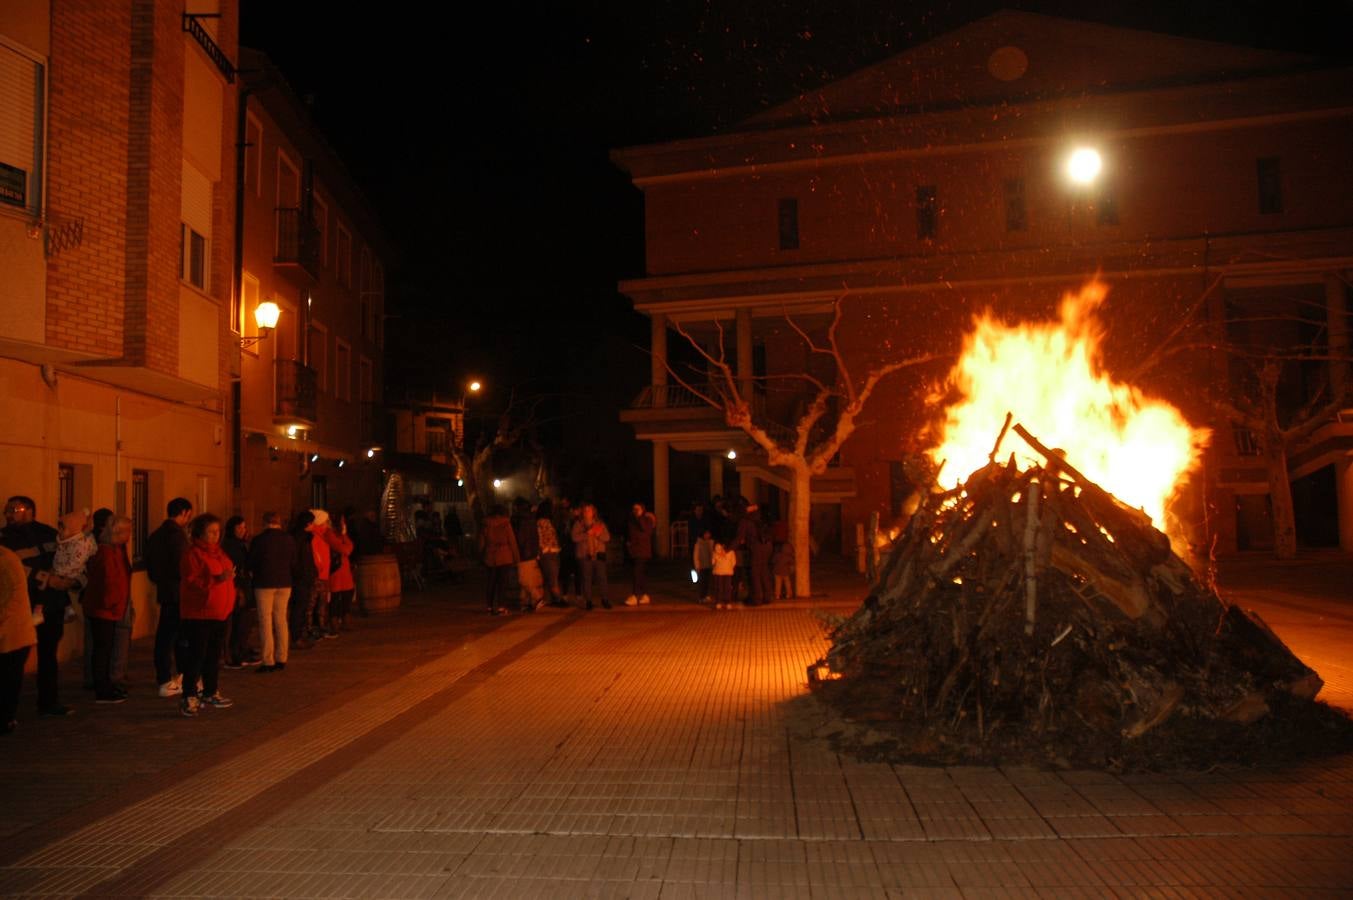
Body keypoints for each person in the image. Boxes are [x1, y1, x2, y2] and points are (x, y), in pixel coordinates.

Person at [2, 495, 74, 717]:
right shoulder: (5, 539)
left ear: (30, 511)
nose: (10, 514)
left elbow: (63, 558)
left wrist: (66, 579)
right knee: (13, 660)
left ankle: (48, 701)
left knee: (48, 654)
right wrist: (45, 578)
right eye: (8, 510)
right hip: (23, 606)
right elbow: (12, 569)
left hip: (51, 604)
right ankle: (8, 711)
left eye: (17, 509)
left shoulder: (48, 533)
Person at [178, 514, 236, 717]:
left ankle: (210, 691)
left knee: (213, 655)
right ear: (200, 533)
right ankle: (189, 695)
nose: (215, 535)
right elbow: (192, 582)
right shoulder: (193, 554)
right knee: (196, 655)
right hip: (199, 613)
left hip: (219, 613)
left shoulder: (219, 553)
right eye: (211, 532)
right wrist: (217, 579)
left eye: (217, 531)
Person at [144, 497, 193, 697]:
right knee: (173, 637)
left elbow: (151, 565)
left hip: (165, 590)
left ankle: (174, 676)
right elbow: (182, 566)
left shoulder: (156, 535)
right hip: (177, 592)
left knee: (169, 635)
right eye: (188, 515)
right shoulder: (177, 536)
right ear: (184, 513)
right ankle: (168, 678)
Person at [82, 515, 133, 703]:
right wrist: (112, 603)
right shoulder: (106, 553)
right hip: (104, 609)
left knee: (105, 648)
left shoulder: (114, 550)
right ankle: (102, 689)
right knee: (102, 649)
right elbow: (108, 582)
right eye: (127, 531)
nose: (129, 536)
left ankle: (106, 685)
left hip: (110, 608)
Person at [248, 511, 294, 673]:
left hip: (264, 583)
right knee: (281, 620)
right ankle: (282, 657)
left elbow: (251, 561)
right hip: (285, 582)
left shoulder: (259, 540)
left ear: (264, 522)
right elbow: (293, 561)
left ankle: (268, 660)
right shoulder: (288, 539)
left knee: (265, 621)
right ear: (278, 522)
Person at [0, 544, 38, 734]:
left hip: (11, 634)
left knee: (8, 681)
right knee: (9, 680)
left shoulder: (4, 560)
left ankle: (6, 720)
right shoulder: (6, 556)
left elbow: (6, 599)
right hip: (14, 633)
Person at [222, 516, 257, 668]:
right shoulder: (230, 546)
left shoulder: (240, 544)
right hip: (238, 587)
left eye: (244, 527)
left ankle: (241, 650)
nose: (242, 530)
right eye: (239, 528)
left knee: (244, 621)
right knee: (239, 622)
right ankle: (236, 653)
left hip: (244, 585)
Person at [479, 503, 519, 616]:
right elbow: (512, 541)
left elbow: (481, 542)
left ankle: (489, 607)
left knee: (491, 582)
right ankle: (502, 606)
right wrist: (516, 557)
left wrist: (481, 554)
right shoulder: (506, 524)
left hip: (490, 555)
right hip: (505, 555)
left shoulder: (485, 524)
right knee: (503, 582)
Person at [571, 503, 611, 610]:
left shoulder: (600, 524)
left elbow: (607, 537)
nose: (587, 512)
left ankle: (605, 599)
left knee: (602, 577)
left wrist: (598, 534)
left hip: (599, 554)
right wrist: (586, 534)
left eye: (589, 510)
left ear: (594, 512)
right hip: (585, 554)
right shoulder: (579, 524)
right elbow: (574, 537)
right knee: (586, 578)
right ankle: (588, 601)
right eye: (585, 510)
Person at [287, 511, 318, 649]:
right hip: (300, 579)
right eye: (312, 523)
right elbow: (297, 560)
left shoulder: (305, 538)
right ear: (307, 524)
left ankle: (299, 634)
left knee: (303, 607)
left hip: (306, 577)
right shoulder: (298, 538)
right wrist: (301, 574)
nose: (313, 525)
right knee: (298, 608)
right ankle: (296, 637)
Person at [322, 509, 355, 635]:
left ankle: (345, 618)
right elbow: (344, 549)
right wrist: (345, 543)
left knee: (347, 594)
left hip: (344, 570)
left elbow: (350, 546)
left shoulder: (340, 534)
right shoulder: (329, 533)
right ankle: (334, 620)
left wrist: (344, 537)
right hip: (336, 570)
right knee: (335, 597)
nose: (344, 523)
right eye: (342, 521)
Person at [306, 510, 334, 640]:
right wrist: (320, 568)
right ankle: (310, 629)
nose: (328, 524)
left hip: (323, 574)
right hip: (318, 575)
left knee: (322, 603)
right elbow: (316, 556)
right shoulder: (315, 536)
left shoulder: (321, 535)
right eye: (326, 521)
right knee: (312, 604)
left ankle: (321, 627)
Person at [512, 498, 543, 612]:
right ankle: (525, 603)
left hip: (523, 553)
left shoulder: (520, 521)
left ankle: (537, 597)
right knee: (529, 577)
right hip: (531, 552)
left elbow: (520, 538)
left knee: (523, 579)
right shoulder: (531, 519)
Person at [624, 502, 656, 607]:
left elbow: (644, 528)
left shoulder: (647, 520)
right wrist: (629, 544)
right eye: (634, 509)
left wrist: (640, 517)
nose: (635, 511)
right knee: (640, 574)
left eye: (637, 509)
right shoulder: (632, 520)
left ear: (642, 509)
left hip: (643, 551)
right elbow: (630, 534)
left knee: (637, 573)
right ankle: (644, 595)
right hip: (634, 551)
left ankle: (635, 595)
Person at [536, 499, 565, 607]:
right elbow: (540, 538)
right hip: (549, 552)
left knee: (550, 577)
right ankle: (559, 599)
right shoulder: (544, 522)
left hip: (550, 552)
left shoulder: (544, 522)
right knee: (552, 578)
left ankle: (550, 599)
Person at [711, 540, 737, 610]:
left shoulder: (715, 551)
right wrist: (729, 567)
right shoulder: (731, 551)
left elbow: (712, 562)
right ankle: (727, 603)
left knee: (719, 587)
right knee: (727, 588)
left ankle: (718, 602)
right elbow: (734, 562)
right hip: (728, 572)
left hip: (718, 572)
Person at [692, 528, 715, 603]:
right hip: (701, 566)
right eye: (706, 534)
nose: (707, 535)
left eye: (708, 534)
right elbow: (695, 555)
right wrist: (697, 566)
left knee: (708, 582)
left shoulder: (711, 543)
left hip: (709, 566)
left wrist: (714, 564)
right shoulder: (698, 543)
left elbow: (713, 554)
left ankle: (706, 596)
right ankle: (701, 597)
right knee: (702, 582)